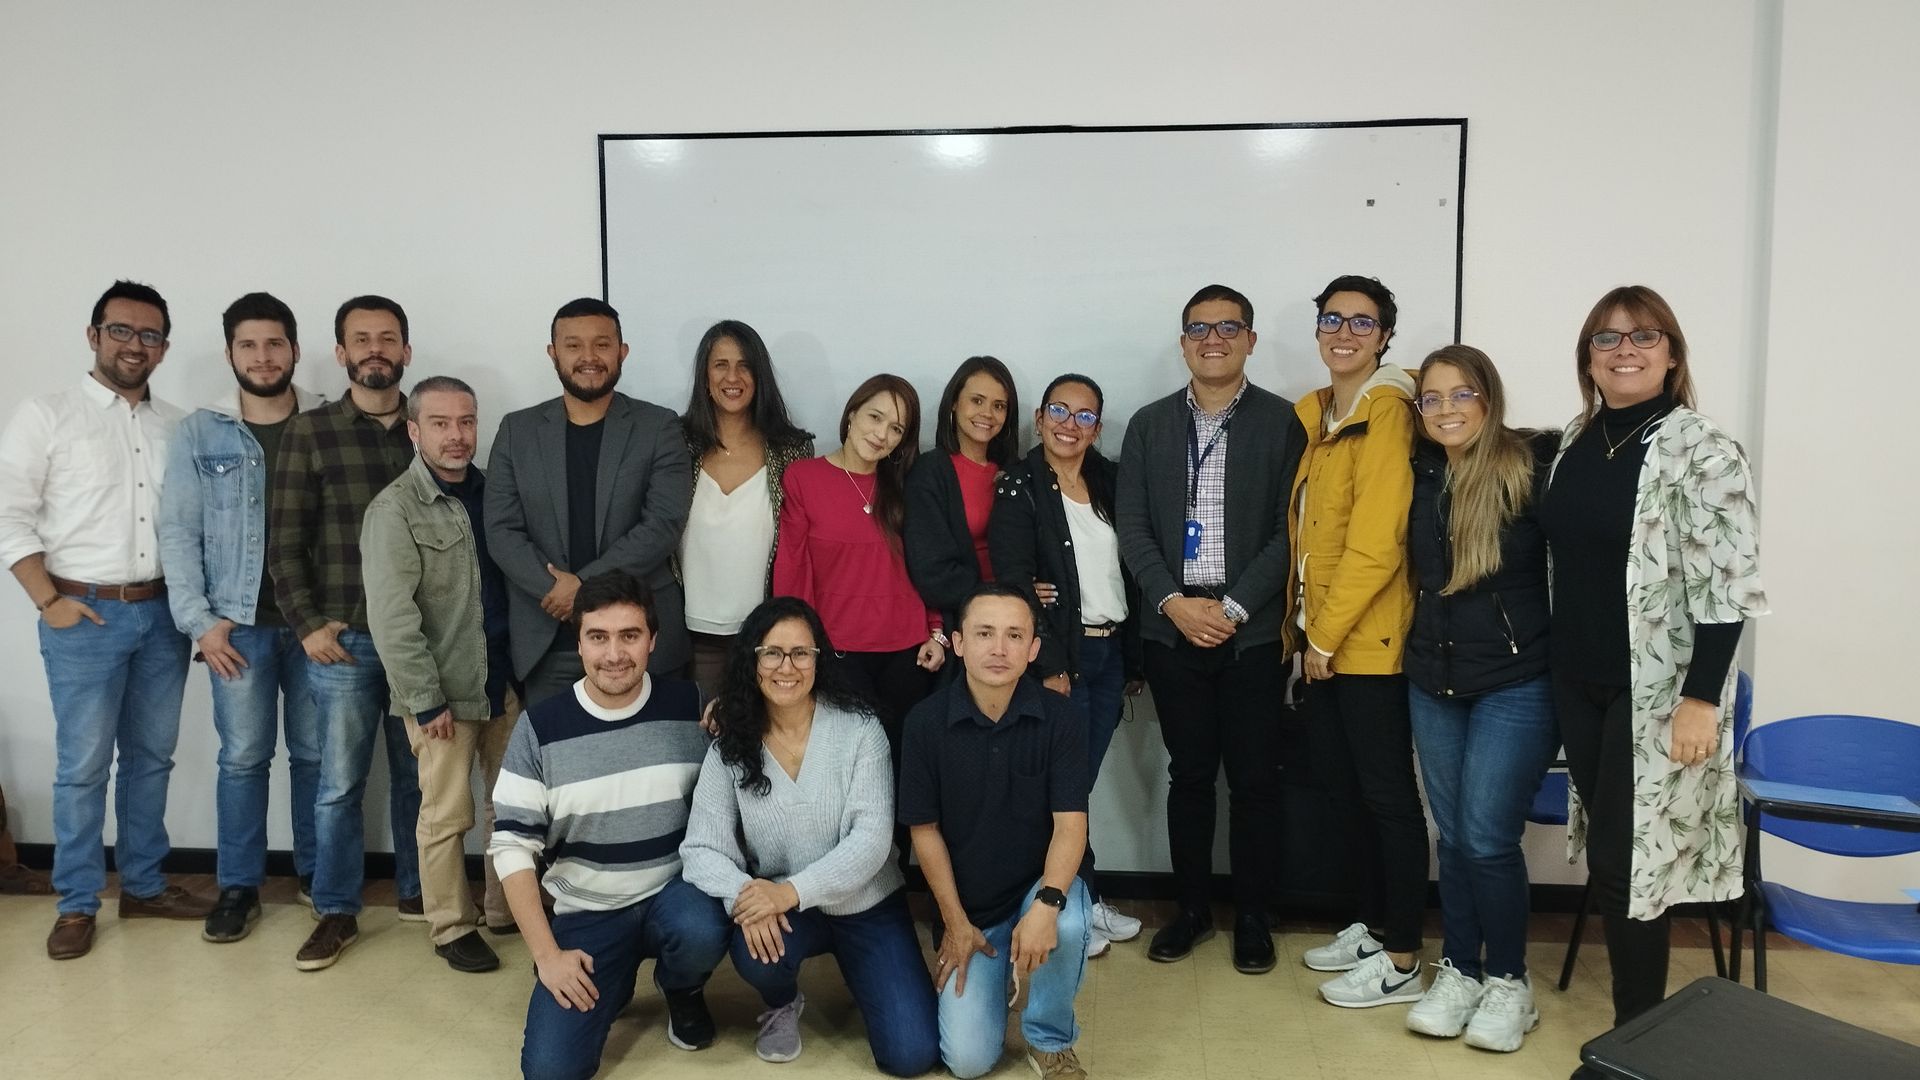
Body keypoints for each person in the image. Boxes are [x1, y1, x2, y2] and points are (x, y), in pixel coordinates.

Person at [1539, 286, 1767, 1037]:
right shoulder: (1576, 442)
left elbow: (1728, 585)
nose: (1625, 350)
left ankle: (1638, 1036)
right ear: (1588, 358)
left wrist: (1701, 698)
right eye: (1607, 339)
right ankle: (1641, 1028)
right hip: (1579, 683)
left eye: (1643, 336)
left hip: (1662, 693)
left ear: (1671, 354)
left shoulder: (1703, 449)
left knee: (1630, 864)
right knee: (1616, 862)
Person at [0, 281, 209, 959]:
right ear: (93, 336)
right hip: (82, 616)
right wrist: (47, 601)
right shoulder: (47, 414)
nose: (134, 345)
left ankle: (145, 885)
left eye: (149, 336)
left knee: (150, 759)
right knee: (83, 766)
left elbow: (193, 528)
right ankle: (78, 902)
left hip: (161, 616)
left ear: (164, 348)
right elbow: (9, 514)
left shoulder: (176, 425)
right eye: (121, 331)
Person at [1116, 284, 1305, 974]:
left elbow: (1293, 532)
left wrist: (1229, 610)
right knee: (1189, 775)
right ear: (1184, 341)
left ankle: (1254, 914)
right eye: (1200, 328)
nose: (1214, 339)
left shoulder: (1285, 423)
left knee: (1255, 780)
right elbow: (1132, 525)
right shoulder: (1148, 424)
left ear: (1250, 340)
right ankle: (1192, 910)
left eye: (1229, 327)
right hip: (1171, 630)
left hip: (1249, 632)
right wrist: (1172, 601)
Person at [679, 597, 939, 1074]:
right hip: (785, 909)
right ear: (751, 660)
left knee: (911, 1055)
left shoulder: (861, 730)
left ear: (820, 658)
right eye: (772, 652)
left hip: (866, 904)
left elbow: (872, 840)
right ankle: (781, 1002)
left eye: (802, 653)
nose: (787, 667)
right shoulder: (731, 743)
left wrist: (786, 892)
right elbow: (700, 847)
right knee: (755, 956)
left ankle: (875, 980)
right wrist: (746, 894)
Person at [489, 571, 731, 1079]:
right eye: (598, 637)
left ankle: (682, 987)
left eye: (630, 635)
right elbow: (512, 847)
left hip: (675, 896)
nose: (614, 654)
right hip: (589, 912)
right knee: (551, 1072)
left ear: (653, 641)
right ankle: (613, 982)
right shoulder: (540, 727)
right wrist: (547, 954)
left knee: (701, 929)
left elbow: (732, 798)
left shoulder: (690, 707)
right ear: (578, 642)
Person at [1399, 346, 1558, 1051]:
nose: (1446, 409)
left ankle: (1509, 984)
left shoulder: (1531, 470)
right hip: (1433, 680)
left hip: (1516, 683)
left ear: (1488, 400)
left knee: (1490, 837)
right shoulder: (1419, 472)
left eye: (1461, 395)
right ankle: (1461, 969)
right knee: (1455, 836)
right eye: (1431, 398)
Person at [158, 291, 324, 943]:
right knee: (244, 758)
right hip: (237, 628)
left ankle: (317, 875)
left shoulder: (324, 421)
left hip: (313, 628)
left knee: (315, 757)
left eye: (274, 343)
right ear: (231, 353)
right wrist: (201, 620)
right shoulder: (201, 431)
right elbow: (178, 529)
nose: (263, 356)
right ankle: (238, 886)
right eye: (249, 345)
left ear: (294, 350)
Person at [268, 294, 425, 970]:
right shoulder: (311, 432)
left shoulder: (428, 429)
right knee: (337, 784)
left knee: (421, 777)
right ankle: (336, 908)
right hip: (345, 642)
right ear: (339, 353)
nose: (375, 349)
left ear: (406, 351)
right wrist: (305, 625)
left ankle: (423, 895)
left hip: (420, 641)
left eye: (387, 338)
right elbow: (284, 542)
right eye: (360, 339)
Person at [1290, 274, 1431, 1009]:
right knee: (1346, 795)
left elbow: (1377, 545)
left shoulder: (1389, 412)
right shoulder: (1317, 415)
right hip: (1323, 641)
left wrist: (1322, 636)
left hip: (1368, 643)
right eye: (1331, 318)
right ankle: (1375, 927)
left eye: (1362, 322)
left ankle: (1403, 958)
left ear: (1383, 336)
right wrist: (1307, 636)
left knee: (1387, 800)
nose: (1344, 332)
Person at [898, 583, 1092, 1080]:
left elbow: (1071, 826)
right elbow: (925, 833)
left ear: (1033, 649)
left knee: (1066, 925)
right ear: (958, 642)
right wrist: (955, 923)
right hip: (971, 909)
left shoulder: (1062, 718)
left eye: (1014, 635)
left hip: (1036, 890)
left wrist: (1047, 905)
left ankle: (1049, 1040)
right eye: (984, 633)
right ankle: (999, 967)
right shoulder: (924, 722)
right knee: (967, 1062)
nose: (999, 649)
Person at [362, 376, 520, 973]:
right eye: (440, 423)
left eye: (467, 422)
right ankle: (451, 924)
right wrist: (426, 701)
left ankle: (504, 911)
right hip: (441, 693)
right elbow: (393, 619)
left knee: (509, 809)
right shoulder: (395, 510)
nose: (457, 437)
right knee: (446, 813)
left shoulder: (495, 495)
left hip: (504, 683)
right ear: (414, 430)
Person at [989, 372, 1144, 959]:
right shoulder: (1019, 484)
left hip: (1109, 652)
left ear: (1097, 427)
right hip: (1063, 656)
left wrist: (1134, 658)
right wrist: (1048, 661)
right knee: (1062, 788)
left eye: (1084, 415)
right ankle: (1069, 902)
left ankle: (1083, 893)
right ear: (1039, 415)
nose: (1069, 423)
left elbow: (1128, 566)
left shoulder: (1110, 480)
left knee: (1078, 785)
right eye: (1059, 409)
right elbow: (1011, 578)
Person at [486, 298, 694, 708]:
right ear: (553, 353)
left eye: (601, 345)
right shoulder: (517, 430)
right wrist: (555, 589)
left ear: (622, 351)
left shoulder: (659, 426)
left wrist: (580, 589)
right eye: (573, 345)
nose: (588, 357)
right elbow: (501, 528)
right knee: (558, 765)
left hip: (640, 645)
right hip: (549, 641)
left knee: (656, 767)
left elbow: (663, 523)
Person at [772, 375, 945, 735]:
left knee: (901, 761)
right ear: (852, 414)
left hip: (908, 650)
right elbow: (793, 567)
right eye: (875, 417)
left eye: (896, 428)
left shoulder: (906, 484)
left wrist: (937, 630)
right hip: (836, 649)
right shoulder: (803, 477)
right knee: (847, 762)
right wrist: (798, 645)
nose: (882, 434)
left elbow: (925, 563)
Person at [677, 320, 815, 697]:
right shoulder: (677, 443)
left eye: (745, 365)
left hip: (764, 637)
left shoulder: (791, 450)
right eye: (720, 364)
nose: (732, 376)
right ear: (705, 376)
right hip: (689, 636)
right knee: (697, 745)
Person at [905, 356, 1019, 630]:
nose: (987, 414)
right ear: (954, 402)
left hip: (1016, 614)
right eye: (977, 401)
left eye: (999, 406)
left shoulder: (1016, 471)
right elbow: (931, 572)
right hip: (963, 619)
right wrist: (995, 598)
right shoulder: (930, 471)